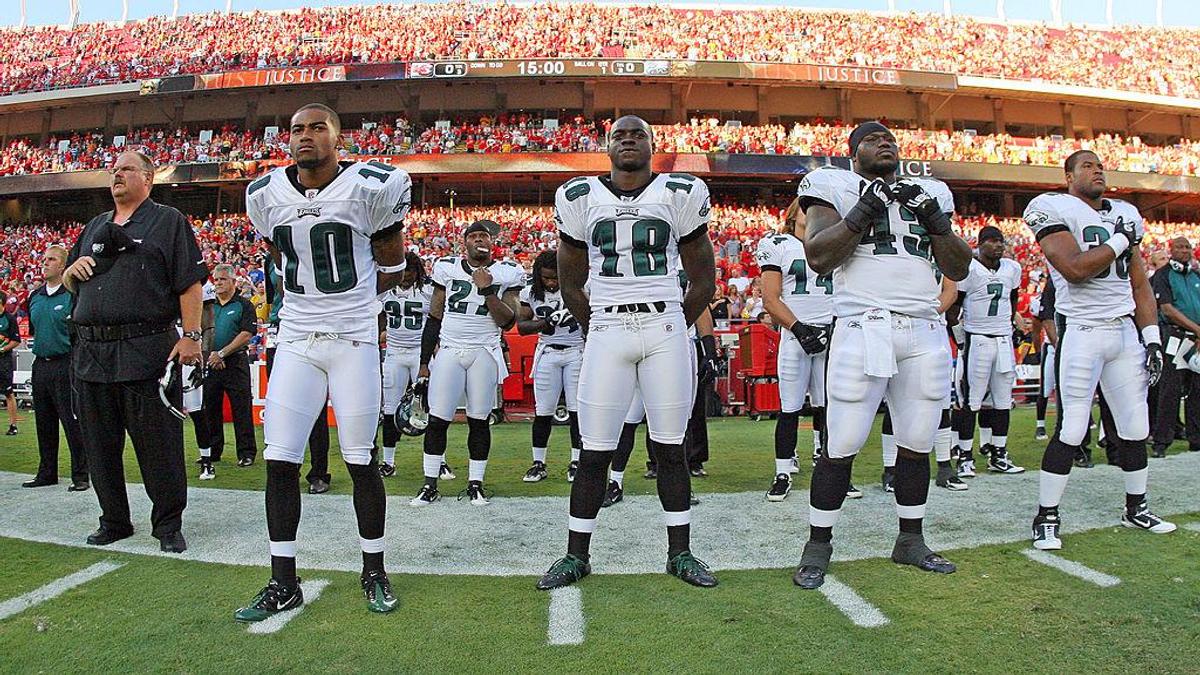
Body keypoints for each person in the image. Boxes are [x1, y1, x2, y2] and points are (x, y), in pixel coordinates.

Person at [236, 103, 412, 622]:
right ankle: (282, 580)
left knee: (360, 458)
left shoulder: (370, 186)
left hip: (353, 338)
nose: (305, 136)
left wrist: (356, 305)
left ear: (338, 137)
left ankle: (374, 569)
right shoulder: (265, 194)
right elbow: (284, 255)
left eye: (317, 127)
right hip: (296, 338)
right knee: (280, 459)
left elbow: (392, 263)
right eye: (296, 129)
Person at [537, 115, 718, 590]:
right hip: (608, 328)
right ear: (607, 146)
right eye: (620, 135)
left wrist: (676, 323)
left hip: (664, 326)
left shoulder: (679, 193)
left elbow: (703, 279)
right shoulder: (580, 197)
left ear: (653, 144)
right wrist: (597, 324)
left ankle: (679, 552)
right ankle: (577, 555)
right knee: (594, 450)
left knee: (670, 449)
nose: (630, 140)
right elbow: (571, 281)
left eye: (638, 134)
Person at [794, 121, 973, 590]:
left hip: (924, 328)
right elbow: (818, 255)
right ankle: (818, 545)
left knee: (917, 441)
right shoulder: (833, 184)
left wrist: (936, 222)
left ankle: (910, 539)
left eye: (890, 138)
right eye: (872, 139)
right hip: (863, 325)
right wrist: (862, 211)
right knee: (842, 443)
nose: (885, 142)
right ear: (853, 153)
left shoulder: (928, 191)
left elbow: (958, 266)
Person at [1023, 149, 1176, 551]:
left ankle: (1136, 507)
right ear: (1068, 175)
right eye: (1087, 165)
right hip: (1083, 330)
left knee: (1135, 427)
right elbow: (1074, 268)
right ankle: (1046, 516)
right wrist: (1121, 239)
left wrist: (1153, 338)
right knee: (1072, 427)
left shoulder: (1125, 211)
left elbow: (1139, 283)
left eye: (1100, 165)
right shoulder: (1051, 207)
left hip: (1124, 331)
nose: (1098, 170)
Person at [62, 149, 207, 554]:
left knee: (158, 444)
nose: (117, 175)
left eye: (126, 169)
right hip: (92, 352)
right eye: (114, 169)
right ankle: (114, 520)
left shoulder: (167, 221)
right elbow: (76, 281)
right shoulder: (94, 226)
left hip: (146, 347)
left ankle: (167, 524)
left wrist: (191, 336)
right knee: (98, 445)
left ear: (148, 178)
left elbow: (190, 283)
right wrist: (72, 275)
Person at [411, 219, 524, 506]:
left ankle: (476, 483)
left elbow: (509, 320)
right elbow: (435, 316)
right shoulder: (446, 267)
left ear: (492, 243)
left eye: (484, 236)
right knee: (437, 419)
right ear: (465, 243)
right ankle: (429, 484)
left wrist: (487, 290)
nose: (479, 240)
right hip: (449, 349)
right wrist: (424, 363)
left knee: (479, 420)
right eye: (473, 236)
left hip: (484, 350)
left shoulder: (506, 272)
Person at [757, 198, 834, 502]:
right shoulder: (779, 244)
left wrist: (833, 329)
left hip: (830, 335)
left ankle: (828, 463)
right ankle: (782, 472)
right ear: (793, 214)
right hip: (794, 335)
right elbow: (771, 299)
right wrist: (800, 329)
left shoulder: (832, 242)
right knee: (789, 408)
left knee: (828, 406)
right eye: (808, 207)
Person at [949, 225, 1026, 476]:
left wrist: (1010, 323)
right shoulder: (969, 269)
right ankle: (964, 456)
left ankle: (999, 454)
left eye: (1000, 241)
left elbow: (1012, 297)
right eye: (992, 241)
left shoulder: (1012, 269)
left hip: (1003, 340)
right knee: (971, 401)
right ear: (980, 244)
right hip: (977, 338)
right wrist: (961, 340)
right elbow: (953, 310)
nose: (998, 245)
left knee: (1003, 401)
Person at [263, 255, 333, 494]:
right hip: (281, 331)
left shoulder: (313, 243)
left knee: (317, 412)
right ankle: (285, 469)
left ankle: (319, 473)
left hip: (314, 330)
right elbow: (273, 294)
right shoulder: (269, 259)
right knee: (279, 408)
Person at [22, 245, 88, 491]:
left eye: (51, 259)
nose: (45, 262)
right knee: (44, 422)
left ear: (62, 265)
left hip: (66, 364)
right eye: (44, 258)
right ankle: (46, 472)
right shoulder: (35, 296)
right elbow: (35, 330)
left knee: (72, 421)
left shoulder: (72, 294)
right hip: (41, 364)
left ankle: (81, 475)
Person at [517, 249, 584, 483]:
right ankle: (538, 463)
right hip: (547, 351)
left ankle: (576, 461)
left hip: (577, 351)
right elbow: (522, 326)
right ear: (538, 275)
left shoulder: (577, 288)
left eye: (555, 277)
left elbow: (593, 316)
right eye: (546, 278)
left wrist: (576, 312)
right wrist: (545, 322)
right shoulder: (531, 293)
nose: (552, 282)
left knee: (577, 411)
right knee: (543, 412)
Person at [197, 264, 258, 480]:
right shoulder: (208, 306)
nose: (218, 283)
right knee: (210, 409)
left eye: (222, 279)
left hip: (235, 363)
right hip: (211, 363)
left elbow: (246, 333)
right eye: (216, 279)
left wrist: (221, 354)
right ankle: (213, 451)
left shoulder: (243, 305)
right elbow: (201, 332)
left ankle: (246, 453)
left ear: (233, 281)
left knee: (241, 408)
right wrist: (211, 357)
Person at [378, 250, 432, 477]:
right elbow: (378, 312)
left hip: (420, 354)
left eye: (410, 271)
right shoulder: (384, 291)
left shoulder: (427, 292)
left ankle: (438, 460)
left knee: (429, 409)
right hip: (394, 353)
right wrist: (381, 330)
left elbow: (437, 320)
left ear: (417, 271)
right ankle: (388, 461)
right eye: (403, 271)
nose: (406, 276)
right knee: (390, 411)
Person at [1150, 236, 1200, 456]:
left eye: (1188, 247)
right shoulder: (1163, 275)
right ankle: (1162, 441)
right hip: (1175, 336)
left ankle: (1196, 438)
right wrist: (1197, 329)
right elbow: (1167, 308)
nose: (1184, 250)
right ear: (1171, 250)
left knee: (1197, 389)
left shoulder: (1196, 276)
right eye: (1179, 247)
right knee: (1169, 390)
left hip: (1197, 338)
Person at [0, 305, 21, 436]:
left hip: (4, 361)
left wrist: (2, 349)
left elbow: (16, 340)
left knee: (8, 393)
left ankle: (13, 425)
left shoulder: (9, 319)